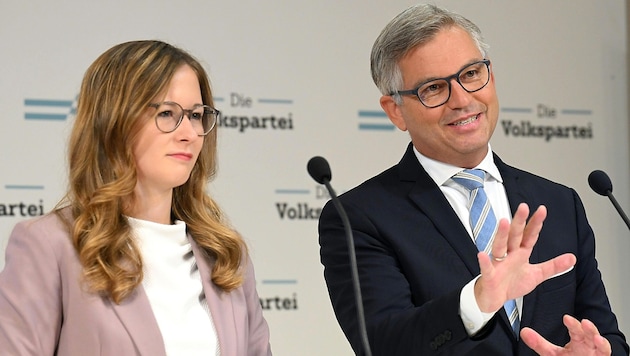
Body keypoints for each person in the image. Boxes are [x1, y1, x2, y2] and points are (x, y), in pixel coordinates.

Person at [318, 4, 628, 355]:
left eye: (470, 74)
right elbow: (385, 345)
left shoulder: (558, 203)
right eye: (433, 88)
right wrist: (476, 300)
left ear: (491, 77)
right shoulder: (359, 218)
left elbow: (607, 336)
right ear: (396, 111)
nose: (463, 100)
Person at [0, 40, 272, 355]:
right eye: (168, 113)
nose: (188, 133)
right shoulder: (50, 246)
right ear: (114, 122)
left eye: (196, 115)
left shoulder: (226, 255)